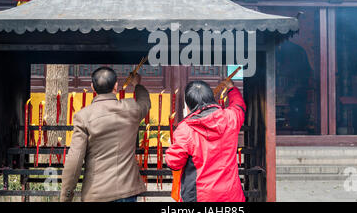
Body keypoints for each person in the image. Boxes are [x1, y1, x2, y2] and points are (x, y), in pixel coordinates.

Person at [60, 66, 151, 202]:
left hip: (97, 194)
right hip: (127, 192)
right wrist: (137, 84)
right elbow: (145, 102)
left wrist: (66, 196)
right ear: (116, 86)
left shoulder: (83, 116)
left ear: (92, 87)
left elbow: (75, 160)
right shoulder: (131, 108)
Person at [165, 79, 246, 202]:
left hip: (199, 197)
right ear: (211, 98)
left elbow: (174, 163)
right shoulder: (231, 118)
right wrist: (231, 88)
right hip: (231, 196)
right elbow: (239, 105)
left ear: (187, 105)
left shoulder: (185, 130)